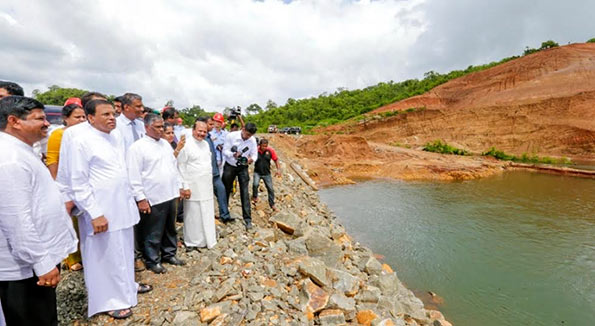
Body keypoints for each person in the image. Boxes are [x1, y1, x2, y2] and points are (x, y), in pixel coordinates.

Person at [69, 99, 151, 319]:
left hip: (121, 206)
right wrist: (94, 213)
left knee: (122, 252)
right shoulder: (81, 140)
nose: (111, 118)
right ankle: (108, 300)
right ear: (90, 117)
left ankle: (127, 289)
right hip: (101, 210)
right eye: (105, 115)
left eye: (113, 114)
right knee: (104, 256)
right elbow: (78, 182)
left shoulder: (114, 136)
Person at [0, 96, 77, 326]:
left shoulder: (22, 150)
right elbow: (16, 220)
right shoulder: (9, 159)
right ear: (14, 121)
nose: (47, 123)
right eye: (39, 119)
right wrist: (41, 262)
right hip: (24, 269)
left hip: (32, 264)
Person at [127, 114, 187, 274]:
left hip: (170, 194)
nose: (162, 130)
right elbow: (134, 175)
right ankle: (152, 260)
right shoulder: (137, 148)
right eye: (158, 127)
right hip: (153, 196)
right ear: (147, 127)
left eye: (163, 127)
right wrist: (140, 198)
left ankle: (169, 254)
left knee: (170, 227)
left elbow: (172, 167)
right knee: (153, 230)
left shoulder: (165, 145)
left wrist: (179, 186)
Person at [45, 100, 86, 272]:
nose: (82, 120)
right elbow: (53, 160)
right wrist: (57, 186)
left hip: (82, 182)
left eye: (84, 116)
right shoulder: (58, 135)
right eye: (77, 117)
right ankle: (71, 258)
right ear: (65, 118)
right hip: (65, 184)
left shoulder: (87, 135)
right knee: (70, 222)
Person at [177, 120, 217, 249]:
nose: (202, 134)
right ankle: (193, 242)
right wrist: (185, 186)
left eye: (204, 131)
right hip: (193, 186)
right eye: (199, 131)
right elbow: (181, 166)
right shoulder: (186, 145)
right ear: (193, 130)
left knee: (206, 212)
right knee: (193, 215)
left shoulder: (206, 144)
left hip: (206, 185)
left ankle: (208, 239)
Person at [222, 122, 258, 230]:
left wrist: (250, 159)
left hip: (243, 167)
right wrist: (233, 154)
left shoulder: (252, 140)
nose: (247, 137)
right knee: (226, 190)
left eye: (250, 135)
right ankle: (224, 215)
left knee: (245, 192)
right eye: (246, 134)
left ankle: (247, 219)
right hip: (230, 166)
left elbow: (255, 154)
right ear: (243, 129)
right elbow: (225, 151)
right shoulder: (231, 136)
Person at [197, 116, 232, 223]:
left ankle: (225, 216)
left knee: (221, 191)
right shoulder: (200, 139)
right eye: (210, 124)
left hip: (215, 172)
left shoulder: (208, 137)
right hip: (204, 173)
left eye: (213, 124)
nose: (212, 126)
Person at [252, 138, 282, 211]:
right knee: (255, 184)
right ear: (260, 145)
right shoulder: (255, 150)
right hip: (257, 172)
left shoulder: (270, 151)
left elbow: (276, 160)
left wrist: (278, 169)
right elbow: (251, 157)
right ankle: (255, 197)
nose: (264, 148)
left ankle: (272, 204)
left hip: (267, 173)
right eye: (263, 146)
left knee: (270, 189)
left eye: (266, 146)